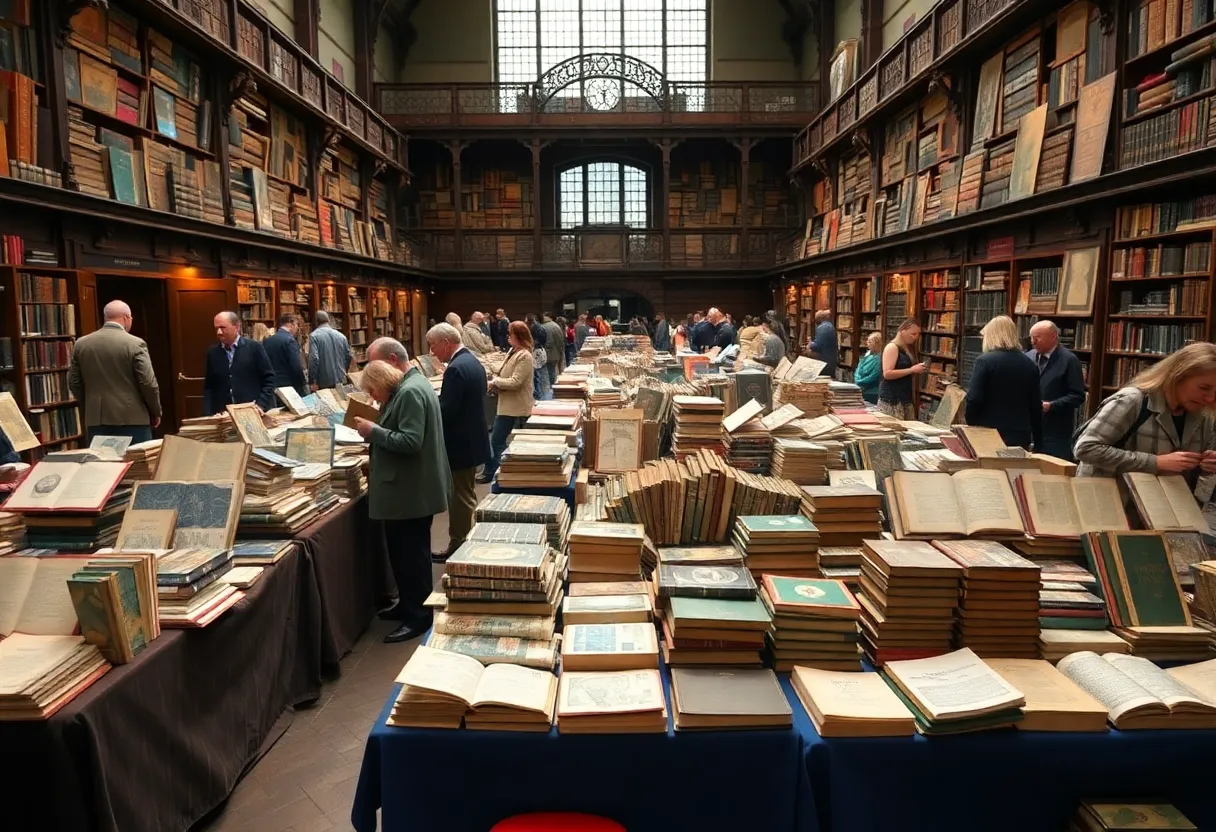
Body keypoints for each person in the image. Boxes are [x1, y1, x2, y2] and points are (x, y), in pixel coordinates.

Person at [354, 359, 449, 644]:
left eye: (373, 391)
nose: (373, 397)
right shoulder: (410, 387)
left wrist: (374, 431)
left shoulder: (408, 393)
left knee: (412, 558)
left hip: (408, 492)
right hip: (408, 489)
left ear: (382, 381)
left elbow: (410, 441)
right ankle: (408, 605)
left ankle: (418, 617)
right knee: (403, 554)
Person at [1075, 342, 1216, 480]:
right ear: (1177, 376)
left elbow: (1193, 474)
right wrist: (1156, 462)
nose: (1210, 398)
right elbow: (1086, 448)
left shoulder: (1204, 414)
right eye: (1204, 388)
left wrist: (1207, 465)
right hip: (1112, 498)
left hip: (1162, 500)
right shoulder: (1132, 400)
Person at [426, 323, 490, 560]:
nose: (432, 352)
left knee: (460, 497)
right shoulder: (471, 361)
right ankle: (465, 537)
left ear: (445, 343)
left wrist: (431, 402)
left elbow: (446, 410)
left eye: (433, 346)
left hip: (460, 442)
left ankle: (459, 544)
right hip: (472, 437)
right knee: (466, 493)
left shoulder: (455, 369)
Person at [68, 299, 161, 443]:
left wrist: (91, 403)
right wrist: (155, 411)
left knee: (103, 464)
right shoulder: (135, 344)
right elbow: (148, 383)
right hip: (132, 419)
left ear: (106, 318)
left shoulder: (81, 344)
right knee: (137, 464)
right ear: (126, 318)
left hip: (96, 420)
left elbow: (74, 382)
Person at [964, 316, 1043, 450]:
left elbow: (974, 398)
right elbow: (1035, 406)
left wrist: (971, 423)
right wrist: (1039, 442)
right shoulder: (1030, 364)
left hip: (988, 433)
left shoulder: (985, 361)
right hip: (1020, 435)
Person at [478, 321, 535, 484]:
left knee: (498, 441)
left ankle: (499, 472)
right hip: (506, 405)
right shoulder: (513, 351)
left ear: (518, 336)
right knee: (498, 440)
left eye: (510, 334)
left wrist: (495, 382)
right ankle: (498, 472)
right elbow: (504, 371)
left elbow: (516, 382)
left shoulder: (525, 355)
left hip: (516, 407)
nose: (507, 336)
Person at [1027, 320, 1087, 460]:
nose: (1033, 342)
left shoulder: (1069, 360)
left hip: (1055, 431)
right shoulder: (1028, 357)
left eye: (1037, 337)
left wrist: (1052, 405)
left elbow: (1077, 396)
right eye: (1031, 338)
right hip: (1029, 428)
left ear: (1053, 336)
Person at [203, 311, 275, 415]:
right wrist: (208, 413)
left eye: (223, 327)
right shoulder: (213, 353)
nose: (219, 332)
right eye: (216, 328)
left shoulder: (254, 348)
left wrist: (261, 404)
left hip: (251, 411)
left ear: (237, 327)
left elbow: (269, 379)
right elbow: (209, 387)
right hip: (223, 414)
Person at [877, 318, 926, 420]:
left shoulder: (907, 348)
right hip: (892, 400)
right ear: (902, 331)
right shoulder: (892, 347)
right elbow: (887, 373)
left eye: (917, 334)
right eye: (913, 334)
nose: (915, 337)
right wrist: (911, 370)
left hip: (905, 398)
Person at [263, 312, 307, 397]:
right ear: (291, 323)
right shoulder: (290, 341)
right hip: (288, 388)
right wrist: (302, 384)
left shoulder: (267, 341)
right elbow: (296, 366)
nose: (297, 328)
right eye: (297, 325)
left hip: (272, 386)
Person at [308, 310, 352, 390]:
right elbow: (348, 356)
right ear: (328, 320)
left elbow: (314, 359)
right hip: (341, 379)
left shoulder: (314, 336)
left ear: (316, 322)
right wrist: (344, 371)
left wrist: (312, 381)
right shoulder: (341, 336)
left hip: (324, 381)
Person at [854, 331, 884, 405]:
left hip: (872, 392)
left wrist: (861, 382)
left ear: (877, 343)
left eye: (870, 341)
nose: (867, 343)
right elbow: (858, 368)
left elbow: (875, 375)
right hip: (860, 389)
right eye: (868, 341)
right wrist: (857, 380)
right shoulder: (867, 355)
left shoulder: (881, 358)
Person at [807, 309, 838, 377]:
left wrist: (810, 343)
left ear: (818, 319)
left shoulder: (822, 328)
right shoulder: (830, 326)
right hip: (831, 360)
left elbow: (817, 346)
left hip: (823, 361)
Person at [526, 313, 549, 399]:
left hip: (536, 352)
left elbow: (538, 340)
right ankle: (540, 393)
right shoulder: (539, 327)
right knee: (539, 374)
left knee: (537, 374)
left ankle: (539, 394)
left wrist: (530, 345)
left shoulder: (536, 328)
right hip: (539, 351)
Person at [542, 312, 564, 382]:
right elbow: (559, 342)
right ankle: (552, 388)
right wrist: (561, 353)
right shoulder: (555, 326)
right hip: (552, 353)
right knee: (551, 372)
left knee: (543, 374)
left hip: (541, 353)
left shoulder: (541, 326)